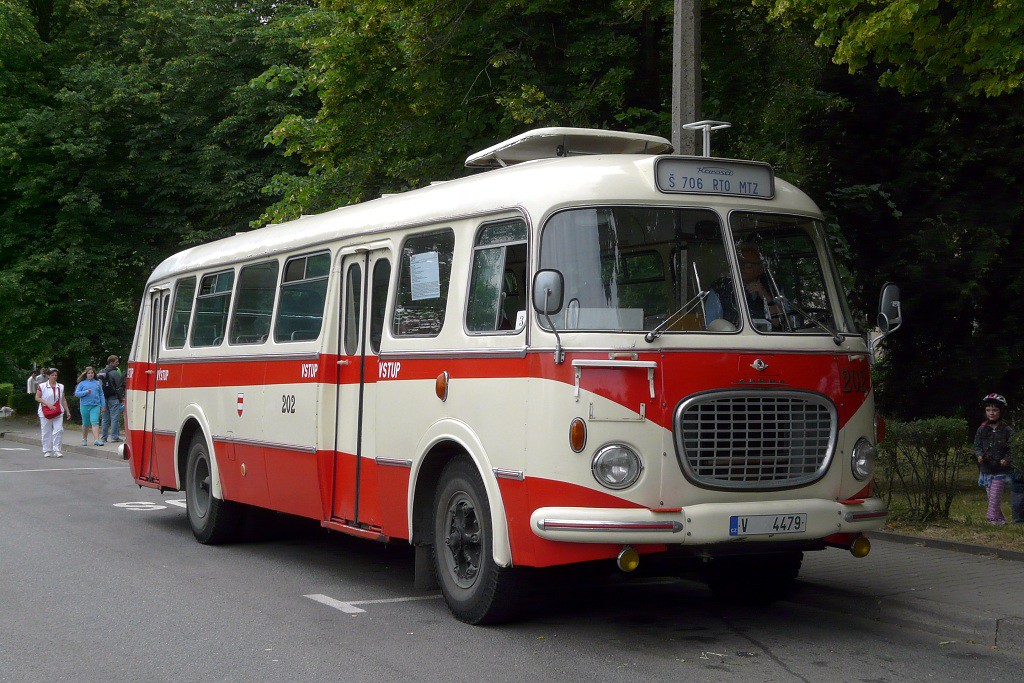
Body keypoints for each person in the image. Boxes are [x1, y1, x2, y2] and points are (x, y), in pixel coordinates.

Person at [705, 242, 791, 331]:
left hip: (772, 338)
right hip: (734, 338)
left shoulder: (774, 287)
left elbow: (785, 322)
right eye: (738, 264)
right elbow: (711, 324)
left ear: (761, 268)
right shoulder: (720, 288)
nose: (742, 268)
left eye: (748, 265)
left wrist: (766, 297)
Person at [974, 393, 1012, 525]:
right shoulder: (982, 429)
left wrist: (1007, 459)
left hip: (1000, 470)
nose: (991, 413)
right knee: (991, 497)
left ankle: (991, 519)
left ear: (1001, 412)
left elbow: (1012, 448)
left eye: (995, 410)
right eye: (988, 410)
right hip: (986, 468)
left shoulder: (1006, 430)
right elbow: (977, 445)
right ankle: (1000, 520)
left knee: (995, 496)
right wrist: (979, 455)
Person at [36, 368, 70, 458]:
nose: (54, 377)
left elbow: (63, 400)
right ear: (48, 376)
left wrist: (67, 411)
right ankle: (47, 450)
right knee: (46, 431)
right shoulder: (42, 386)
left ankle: (57, 450)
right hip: (45, 412)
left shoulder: (61, 386)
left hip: (58, 411)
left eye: (56, 375)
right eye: (52, 375)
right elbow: (37, 397)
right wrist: (47, 403)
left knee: (59, 430)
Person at [75, 366, 105, 447]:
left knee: (95, 421)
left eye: (92, 373)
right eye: (89, 373)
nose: (91, 374)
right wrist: (85, 392)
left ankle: (96, 440)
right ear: (86, 374)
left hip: (95, 405)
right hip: (85, 405)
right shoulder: (82, 383)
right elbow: (77, 394)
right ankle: (84, 439)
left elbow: (101, 394)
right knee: (85, 423)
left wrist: (103, 405)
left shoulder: (97, 383)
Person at [98, 354, 124, 443]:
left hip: (103, 398)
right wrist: (121, 398)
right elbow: (119, 386)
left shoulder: (101, 372)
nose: (118, 363)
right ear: (112, 363)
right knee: (114, 418)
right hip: (113, 398)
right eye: (116, 362)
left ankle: (104, 437)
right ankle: (114, 437)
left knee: (105, 419)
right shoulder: (114, 373)